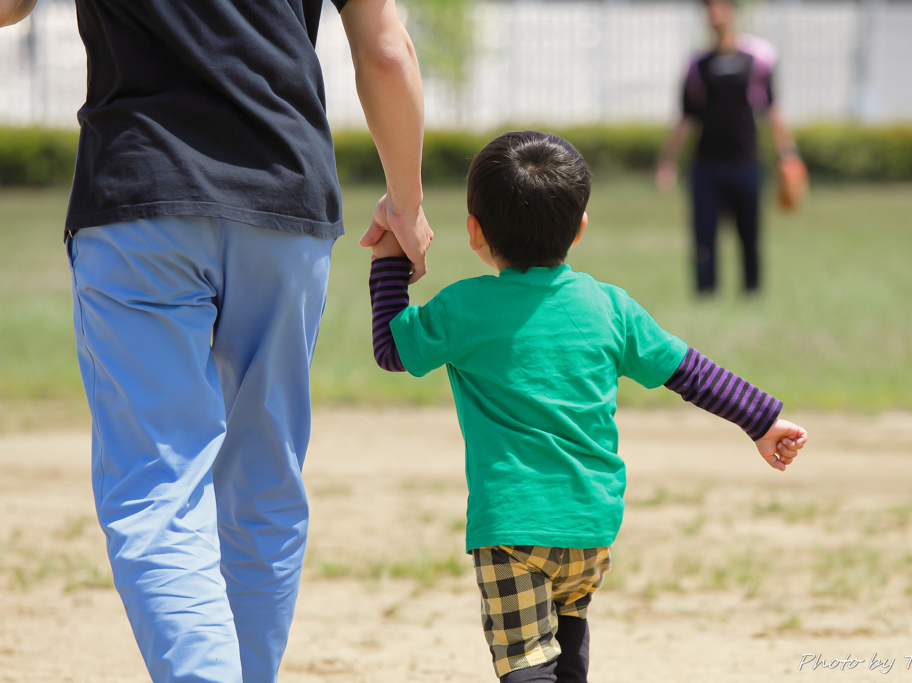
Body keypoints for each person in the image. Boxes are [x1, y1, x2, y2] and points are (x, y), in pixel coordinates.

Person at [2, 0, 432, 681]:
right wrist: (406, 204)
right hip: (285, 205)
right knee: (264, 482)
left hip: (141, 199)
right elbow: (386, 52)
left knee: (159, 487)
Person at [367, 131, 808, 682]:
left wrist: (389, 256)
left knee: (527, 663)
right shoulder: (609, 307)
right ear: (578, 228)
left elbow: (391, 349)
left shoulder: (463, 308)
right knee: (566, 641)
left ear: (474, 231)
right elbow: (690, 372)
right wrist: (762, 420)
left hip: (513, 529)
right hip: (591, 525)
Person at [656, 0, 799, 295]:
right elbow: (686, 119)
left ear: (733, 11)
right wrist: (667, 161)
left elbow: (771, 111)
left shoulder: (757, 59)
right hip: (706, 165)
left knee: (749, 235)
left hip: (745, 162)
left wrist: (788, 154)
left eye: (721, 7)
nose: (715, 13)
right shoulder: (697, 65)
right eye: (709, 8)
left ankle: (752, 292)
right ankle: (706, 295)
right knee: (704, 238)